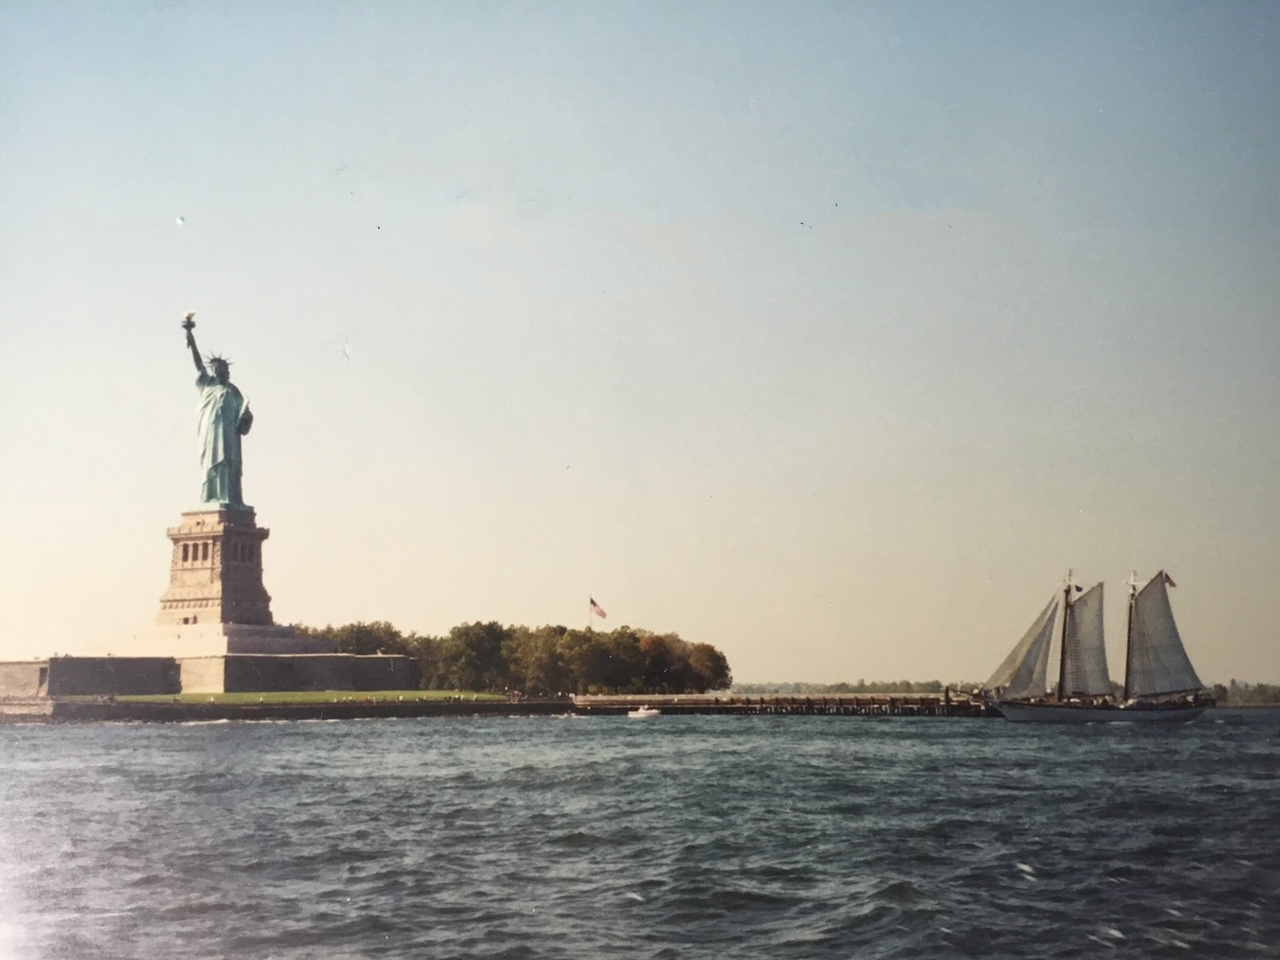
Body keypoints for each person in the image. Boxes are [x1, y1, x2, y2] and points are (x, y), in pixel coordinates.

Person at [184, 318, 253, 506]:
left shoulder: (233, 391)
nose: (221, 372)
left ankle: (230, 497)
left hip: (229, 435)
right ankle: (210, 497)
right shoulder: (207, 385)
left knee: (230, 464)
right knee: (210, 464)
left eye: (223, 369)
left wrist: (246, 416)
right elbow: (199, 365)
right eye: (217, 369)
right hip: (210, 433)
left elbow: (244, 419)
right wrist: (192, 340)